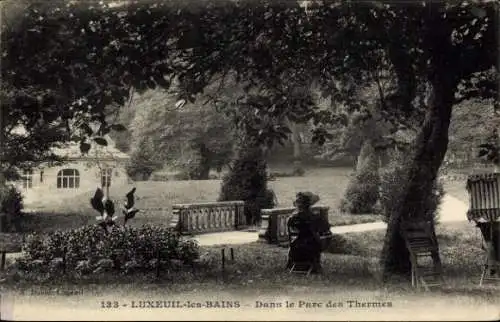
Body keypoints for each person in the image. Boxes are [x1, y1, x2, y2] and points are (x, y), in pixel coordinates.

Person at [286, 192, 322, 273]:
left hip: (295, 249)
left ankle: (290, 264)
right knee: (318, 242)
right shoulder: (312, 217)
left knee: (294, 242)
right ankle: (316, 265)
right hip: (309, 248)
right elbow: (318, 230)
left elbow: (291, 228)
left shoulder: (292, 218)